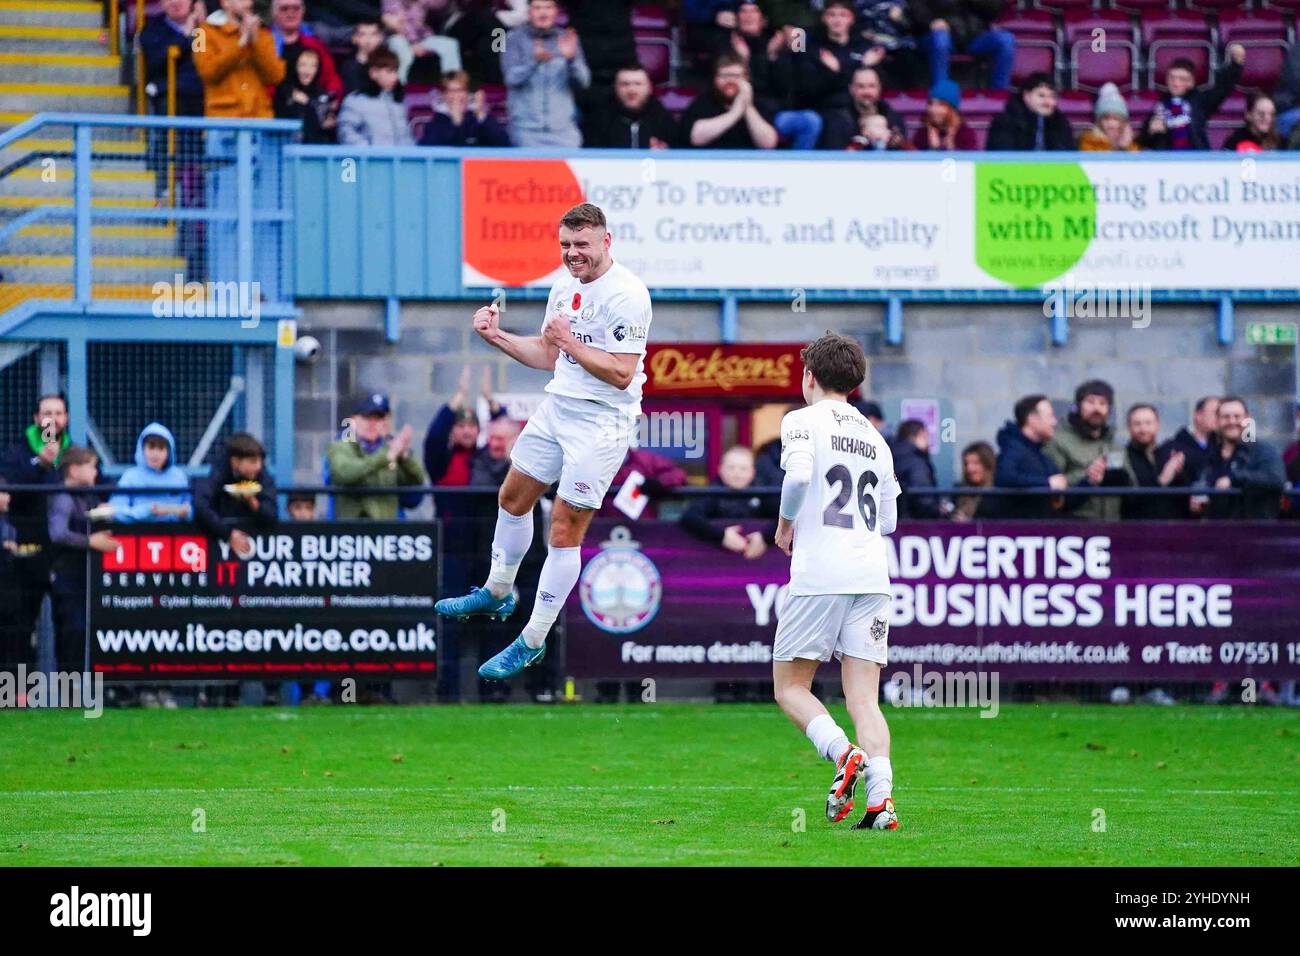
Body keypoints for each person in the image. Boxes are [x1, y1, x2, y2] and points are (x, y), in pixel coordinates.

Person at [435, 202, 651, 681]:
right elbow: (548, 354)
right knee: (511, 497)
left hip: (603, 423)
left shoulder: (628, 294)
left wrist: (570, 343)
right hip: (559, 407)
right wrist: (496, 337)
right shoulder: (562, 286)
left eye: (582, 245)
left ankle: (531, 639)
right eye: (566, 246)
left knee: (563, 530)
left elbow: (621, 372)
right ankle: (496, 591)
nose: (573, 255)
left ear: (606, 242)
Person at [772, 332, 901, 831]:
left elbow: (800, 477)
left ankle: (842, 753)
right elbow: (888, 519)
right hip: (871, 574)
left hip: (822, 572)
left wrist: (785, 525)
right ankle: (881, 803)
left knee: (790, 688)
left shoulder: (801, 421)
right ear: (856, 382)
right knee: (864, 697)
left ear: (808, 376)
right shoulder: (876, 438)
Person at [0, 393, 71, 668]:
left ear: (66, 418)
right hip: (24, 553)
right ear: (36, 418)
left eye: (58, 413)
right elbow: (7, 491)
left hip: (64, 554)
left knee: (70, 626)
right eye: (47, 413)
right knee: (19, 626)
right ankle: (17, 693)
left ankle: (70, 694)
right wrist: (39, 464)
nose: (52, 418)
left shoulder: (75, 453)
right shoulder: (16, 453)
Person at [47, 447, 119, 672]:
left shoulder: (89, 494)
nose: (95, 472)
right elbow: (57, 533)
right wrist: (91, 541)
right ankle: (70, 690)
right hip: (67, 576)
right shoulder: (63, 498)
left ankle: (76, 687)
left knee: (81, 630)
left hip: (84, 575)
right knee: (72, 630)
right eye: (91, 466)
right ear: (74, 469)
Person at [501, 0, 590, 148]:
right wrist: (533, 62)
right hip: (526, 132)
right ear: (529, 12)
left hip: (563, 132)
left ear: (556, 11)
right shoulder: (510, 38)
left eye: (548, 7)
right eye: (537, 8)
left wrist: (571, 60)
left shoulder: (567, 39)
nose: (543, 13)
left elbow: (584, 81)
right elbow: (510, 78)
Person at [326, 393, 424, 519]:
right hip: (351, 532)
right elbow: (344, 473)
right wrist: (385, 457)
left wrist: (405, 457)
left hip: (386, 532)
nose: (372, 423)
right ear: (353, 420)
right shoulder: (340, 446)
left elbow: (416, 485)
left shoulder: (392, 449)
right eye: (367, 418)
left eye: (378, 418)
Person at [795, 1, 878, 148]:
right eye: (832, 15)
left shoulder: (865, 46)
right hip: (827, 109)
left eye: (843, 15)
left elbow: (875, 83)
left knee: (885, 119)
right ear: (824, 18)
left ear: (851, 19)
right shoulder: (813, 48)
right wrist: (848, 70)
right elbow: (807, 88)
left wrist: (840, 70)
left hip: (862, 108)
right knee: (838, 122)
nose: (837, 20)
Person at [1045, 380, 1128, 521]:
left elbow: (1130, 486)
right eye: (1090, 402)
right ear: (1078, 406)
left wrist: (1110, 477)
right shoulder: (1058, 441)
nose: (1097, 408)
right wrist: (1088, 476)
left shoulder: (1114, 445)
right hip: (1075, 525)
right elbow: (1052, 486)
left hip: (1113, 526)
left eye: (1102, 403)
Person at [1140, 46, 1245, 151]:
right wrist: (1151, 131)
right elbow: (1144, 140)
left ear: (1191, 82)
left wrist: (1236, 64)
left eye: (1182, 79)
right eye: (1172, 78)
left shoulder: (1200, 101)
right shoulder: (1161, 105)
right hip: (1168, 161)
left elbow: (1222, 87)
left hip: (1197, 160)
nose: (1176, 83)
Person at [192, 432, 279, 558]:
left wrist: (253, 502)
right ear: (235, 461)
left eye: (261, 461)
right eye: (253, 461)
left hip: (256, 548)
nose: (258, 466)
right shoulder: (218, 472)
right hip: (218, 547)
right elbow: (201, 507)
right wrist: (228, 534)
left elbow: (272, 515)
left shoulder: (262, 474)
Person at [678, 446, 775, 560]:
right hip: (715, 564)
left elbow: (788, 519)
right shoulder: (712, 493)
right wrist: (722, 536)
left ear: (752, 472)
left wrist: (764, 538)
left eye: (743, 468)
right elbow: (689, 517)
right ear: (721, 470)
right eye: (731, 467)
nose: (737, 473)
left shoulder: (763, 492)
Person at [193, 0, 286, 119]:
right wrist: (241, 45)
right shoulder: (199, 33)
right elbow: (206, 72)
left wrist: (255, 43)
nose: (248, 4)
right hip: (221, 120)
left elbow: (276, 76)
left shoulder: (263, 33)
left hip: (258, 118)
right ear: (225, 2)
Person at [1201, 396, 1287, 520]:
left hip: (1255, 533)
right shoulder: (1211, 455)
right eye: (1225, 417)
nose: (1232, 421)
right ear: (1217, 422)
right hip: (1218, 533)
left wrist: (1234, 479)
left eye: (1237, 416)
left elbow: (1276, 479)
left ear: (1248, 420)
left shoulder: (1263, 451)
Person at [993, 394, 1068, 519]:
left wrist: (1089, 481)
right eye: (1050, 416)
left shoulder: (1043, 456)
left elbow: (1063, 500)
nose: (1054, 422)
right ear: (1032, 419)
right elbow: (1004, 478)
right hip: (1020, 531)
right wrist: (1046, 483)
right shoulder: (1013, 449)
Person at [683, 53, 779, 149]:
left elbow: (768, 144)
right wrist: (735, 113)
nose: (729, 81)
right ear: (715, 79)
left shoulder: (759, 104)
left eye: (735, 76)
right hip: (711, 161)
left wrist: (747, 106)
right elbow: (695, 138)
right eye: (724, 76)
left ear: (746, 79)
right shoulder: (703, 103)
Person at [913, 0, 1014, 91]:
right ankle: (941, 95)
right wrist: (930, 22)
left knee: (1006, 40)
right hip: (939, 34)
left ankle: (999, 96)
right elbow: (916, 9)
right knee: (940, 39)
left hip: (973, 35)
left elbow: (994, 10)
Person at [106, 423, 193, 523]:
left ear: (169, 451)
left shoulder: (179, 476)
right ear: (142, 449)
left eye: (161, 448)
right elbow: (116, 510)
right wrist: (148, 511)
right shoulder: (130, 476)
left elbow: (190, 510)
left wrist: (185, 513)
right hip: (136, 533)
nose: (155, 454)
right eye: (151, 447)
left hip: (175, 534)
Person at [582, 63, 681, 149]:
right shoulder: (598, 120)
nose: (631, 90)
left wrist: (666, 154)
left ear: (649, 88)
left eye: (638, 84)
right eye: (625, 84)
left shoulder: (663, 120)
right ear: (615, 88)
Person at [140, 0, 207, 118]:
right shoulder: (152, 27)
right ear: (160, 3)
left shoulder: (202, 28)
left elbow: (203, 64)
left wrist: (203, 27)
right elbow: (156, 62)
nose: (175, 2)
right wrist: (185, 35)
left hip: (202, 96)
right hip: (170, 95)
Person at [1155, 395, 1218, 518]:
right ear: (1198, 415)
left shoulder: (1222, 448)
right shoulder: (1172, 448)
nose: (1220, 418)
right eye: (1216, 413)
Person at [337, 46, 413, 145]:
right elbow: (346, 132)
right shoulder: (355, 101)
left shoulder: (399, 100)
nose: (395, 77)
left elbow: (407, 136)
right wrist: (368, 152)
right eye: (390, 71)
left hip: (401, 159)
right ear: (373, 73)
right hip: (370, 159)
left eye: (396, 71)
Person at [1121, 404, 1184, 521]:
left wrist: (1180, 473)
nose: (1143, 429)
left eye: (1148, 423)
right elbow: (1131, 500)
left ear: (1157, 425)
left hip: (1173, 530)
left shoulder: (1167, 454)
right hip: (1137, 530)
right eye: (1137, 424)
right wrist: (1162, 481)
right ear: (1129, 427)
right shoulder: (1124, 459)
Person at [269, 0, 342, 99]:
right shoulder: (262, 41)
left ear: (303, 12)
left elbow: (331, 79)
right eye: (284, 9)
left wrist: (332, 101)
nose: (291, 14)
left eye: (296, 8)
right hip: (269, 108)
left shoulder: (315, 44)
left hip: (308, 107)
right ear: (273, 13)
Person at [821, 65, 906, 150]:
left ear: (879, 88)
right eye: (861, 86)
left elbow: (908, 156)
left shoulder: (893, 117)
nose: (867, 92)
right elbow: (834, 158)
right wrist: (862, 140)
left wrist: (894, 143)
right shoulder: (838, 120)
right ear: (851, 89)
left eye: (872, 86)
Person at [418, 70, 510, 146]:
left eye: (461, 90)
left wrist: (481, 115)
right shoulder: (436, 122)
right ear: (444, 95)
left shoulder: (478, 118)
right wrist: (456, 124)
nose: (457, 96)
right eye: (452, 91)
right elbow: (429, 148)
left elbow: (503, 143)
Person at [987, 72, 1072, 151]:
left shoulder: (1060, 122)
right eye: (1041, 96)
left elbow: (1069, 157)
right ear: (1026, 96)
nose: (1048, 102)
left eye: (1052, 97)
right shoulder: (1005, 121)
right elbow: (1003, 159)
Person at [274, 45, 338, 142]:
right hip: (288, 147)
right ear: (294, 66)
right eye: (303, 65)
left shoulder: (321, 94)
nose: (308, 71)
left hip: (315, 150)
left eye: (313, 66)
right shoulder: (284, 91)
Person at [891, 419, 943, 518]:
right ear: (921, 434)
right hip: (915, 524)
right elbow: (925, 501)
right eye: (927, 436)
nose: (928, 442)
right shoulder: (917, 462)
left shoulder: (889, 455)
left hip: (893, 523)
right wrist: (941, 513)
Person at [910, 78, 975, 150]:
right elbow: (915, 159)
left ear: (952, 109)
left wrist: (951, 149)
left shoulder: (965, 134)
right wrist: (932, 149)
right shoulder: (922, 133)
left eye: (940, 105)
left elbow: (973, 159)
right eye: (930, 104)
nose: (933, 109)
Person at [1078, 82, 1139, 152]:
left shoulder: (1129, 141)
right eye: (1106, 119)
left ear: (1123, 122)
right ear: (1099, 121)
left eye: (1115, 119)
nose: (1111, 124)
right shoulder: (1089, 140)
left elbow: (1137, 161)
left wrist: (1125, 147)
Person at [339, 18, 389, 95]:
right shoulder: (348, 68)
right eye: (363, 34)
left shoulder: (388, 63)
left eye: (373, 34)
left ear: (380, 38)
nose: (368, 40)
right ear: (354, 38)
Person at [952, 440, 994, 522]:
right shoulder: (958, 492)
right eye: (966, 464)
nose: (970, 469)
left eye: (976, 463)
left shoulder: (998, 494)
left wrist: (970, 523)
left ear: (987, 464)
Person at [848, 111, 913, 150]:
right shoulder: (859, 144)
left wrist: (901, 143)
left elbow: (914, 154)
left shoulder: (892, 145)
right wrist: (861, 143)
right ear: (865, 132)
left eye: (885, 127)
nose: (885, 131)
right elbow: (848, 156)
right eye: (879, 127)